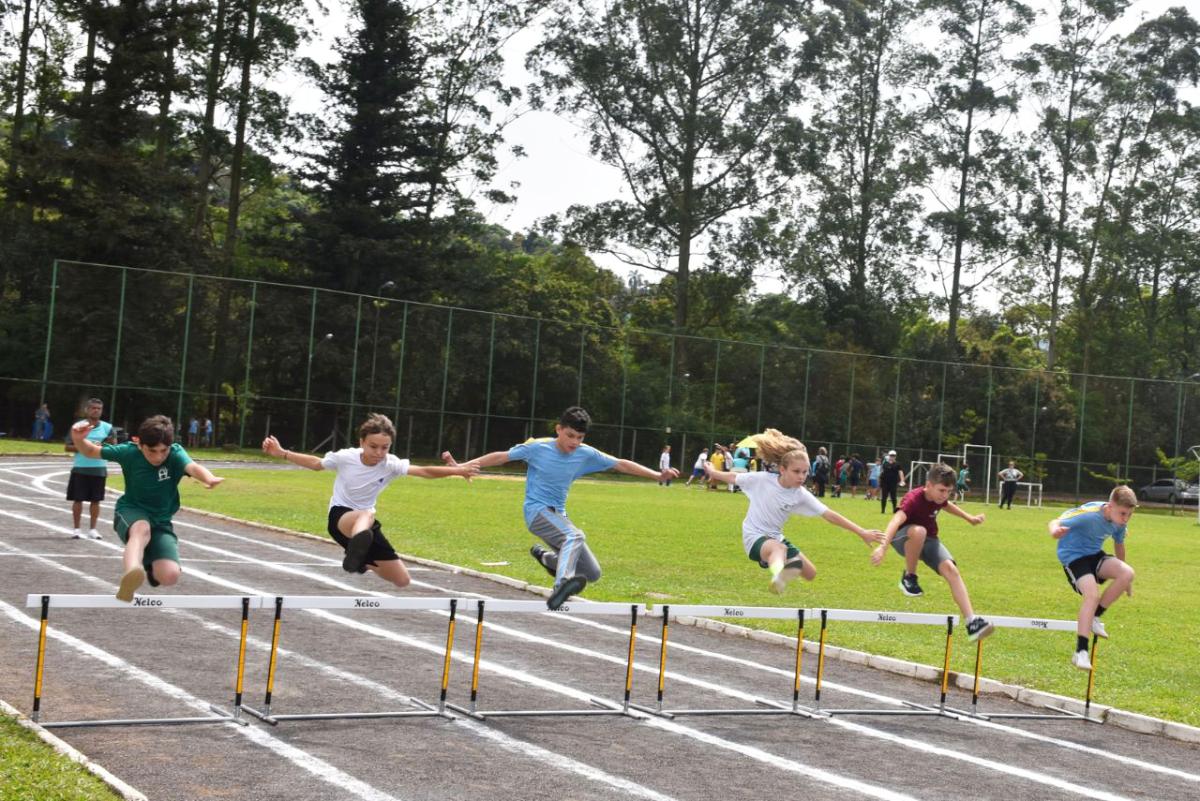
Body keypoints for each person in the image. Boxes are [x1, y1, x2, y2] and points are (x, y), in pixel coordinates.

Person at [443, 406, 678, 609]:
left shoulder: (585, 454)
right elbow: (500, 457)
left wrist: (657, 475)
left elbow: (621, 464)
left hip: (558, 515)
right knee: (574, 536)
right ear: (558, 429)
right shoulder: (537, 448)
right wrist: (461, 467)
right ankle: (560, 587)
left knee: (591, 572)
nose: (574, 442)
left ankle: (547, 559)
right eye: (570, 435)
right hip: (537, 511)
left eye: (580, 438)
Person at [263, 414, 476, 588]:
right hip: (341, 517)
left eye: (385, 447)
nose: (379, 453)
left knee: (402, 580)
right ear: (362, 442)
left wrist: (455, 471)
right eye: (373, 447)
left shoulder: (390, 464)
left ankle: (359, 558)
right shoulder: (346, 457)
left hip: (365, 528)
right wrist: (282, 453)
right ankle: (357, 548)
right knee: (367, 514)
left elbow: (424, 471)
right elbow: (317, 463)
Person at [705, 429, 882, 594]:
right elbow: (733, 477)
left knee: (810, 573)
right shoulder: (762, 480)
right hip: (754, 536)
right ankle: (777, 575)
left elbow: (829, 514)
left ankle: (769, 561)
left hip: (775, 537)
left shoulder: (800, 494)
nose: (801, 477)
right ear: (782, 469)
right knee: (778, 549)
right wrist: (713, 471)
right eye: (796, 471)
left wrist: (861, 532)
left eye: (805, 472)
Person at [71, 415, 223, 602]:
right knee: (142, 529)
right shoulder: (128, 452)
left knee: (169, 576)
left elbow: (192, 466)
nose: (158, 457)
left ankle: (151, 568)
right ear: (139, 443)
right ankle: (131, 573)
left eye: (163, 451)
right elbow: (92, 451)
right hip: (131, 510)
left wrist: (209, 478)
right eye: (152, 451)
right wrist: (79, 439)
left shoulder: (175, 453)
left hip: (160, 520)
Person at [870, 462, 994, 642]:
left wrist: (970, 518)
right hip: (903, 538)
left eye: (948, 491)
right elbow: (895, 521)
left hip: (929, 540)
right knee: (919, 531)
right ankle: (909, 577)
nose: (945, 496)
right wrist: (883, 547)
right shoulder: (913, 499)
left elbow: (947, 505)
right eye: (942, 490)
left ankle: (972, 622)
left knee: (951, 570)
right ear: (928, 485)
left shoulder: (939, 498)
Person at [1049, 486, 1137, 671]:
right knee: (1092, 595)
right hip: (1073, 558)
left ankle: (1095, 617)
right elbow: (1056, 520)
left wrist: (1124, 581)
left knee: (1128, 573)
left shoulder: (1120, 523)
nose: (1125, 519)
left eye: (1129, 514)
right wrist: (1055, 531)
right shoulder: (1089, 514)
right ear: (1111, 505)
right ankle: (1080, 652)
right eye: (1123, 513)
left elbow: (1119, 545)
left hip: (1094, 555)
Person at [64, 398, 113, 540]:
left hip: (99, 468)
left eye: (98, 408)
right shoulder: (78, 426)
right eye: (93, 408)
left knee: (96, 501)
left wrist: (96, 446)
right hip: (80, 467)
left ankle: (93, 529)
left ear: (102, 411)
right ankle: (76, 529)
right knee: (77, 499)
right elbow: (67, 446)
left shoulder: (108, 428)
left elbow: (112, 446)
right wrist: (86, 446)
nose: (96, 410)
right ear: (87, 409)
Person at [879, 450, 905, 514]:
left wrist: (902, 480)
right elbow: (882, 472)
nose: (892, 457)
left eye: (893, 455)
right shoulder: (885, 463)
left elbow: (900, 472)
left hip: (893, 483)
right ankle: (883, 510)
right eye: (891, 455)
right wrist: (879, 479)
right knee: (884, 497)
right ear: (889, 456)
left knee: (893, 497)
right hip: (885, 482)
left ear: (895, 456)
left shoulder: (898, 464)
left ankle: (894, 510)